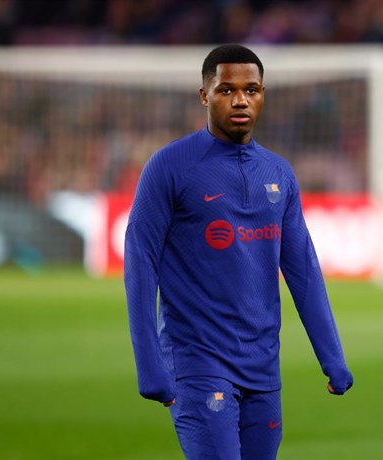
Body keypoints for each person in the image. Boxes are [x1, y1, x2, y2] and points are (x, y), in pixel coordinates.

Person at [124, 44, 353, 459]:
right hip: (198, 361)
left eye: (252, 89)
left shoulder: (279, 173)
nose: (241, 99)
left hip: (263, 365)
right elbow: (140, 265)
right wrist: (150, 366)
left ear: (263, 94)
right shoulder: (168, 167)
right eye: (226, 90)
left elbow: (303, 271)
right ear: (204, 96)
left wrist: (332, 357)